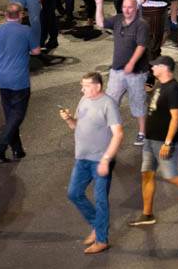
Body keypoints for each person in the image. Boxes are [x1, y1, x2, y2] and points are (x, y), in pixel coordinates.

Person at [127, 56, 178, 226]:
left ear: (164, 68)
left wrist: (168, 142)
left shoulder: (174, 88)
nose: (152, 68)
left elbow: (176, 117)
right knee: (147, 174)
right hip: (150, 139)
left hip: (163, 142)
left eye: (155, 66)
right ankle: (147, 214)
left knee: (172, 176)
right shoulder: (160, 84)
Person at [60, 72, 124, 255]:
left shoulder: (108, 104)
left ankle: (102, 240)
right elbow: (76, 127)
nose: (83, 89)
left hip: (100, 161)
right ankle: (97, 225)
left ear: (98, 86)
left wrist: (106, 159)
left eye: (86, 86)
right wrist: (69, 119)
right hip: (82, 158)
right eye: (82, 86)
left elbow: (119, 134)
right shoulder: (84, 100)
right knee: (74, 193)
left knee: (100, 200)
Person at [95, 0, 149, 146]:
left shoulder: (141, 25)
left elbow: (141, 46)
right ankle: (107, 131)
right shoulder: (118, 19)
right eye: (124, 7)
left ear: (136, 8)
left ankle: (142, 133)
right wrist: (99, 4)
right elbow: (100, 23)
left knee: (138, 103)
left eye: (130, 7)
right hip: (117, 70)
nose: (126, 10)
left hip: (137, 73)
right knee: (111, 101)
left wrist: (131, 62)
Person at [0, 2, 39, 162]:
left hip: (2, 78)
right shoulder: (26, 31)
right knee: (17, 115)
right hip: (19, 79)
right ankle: (0, 145)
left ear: (5, 15)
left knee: (10, 115)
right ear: (21, 15)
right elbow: (36, 51)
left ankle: (18, 150)